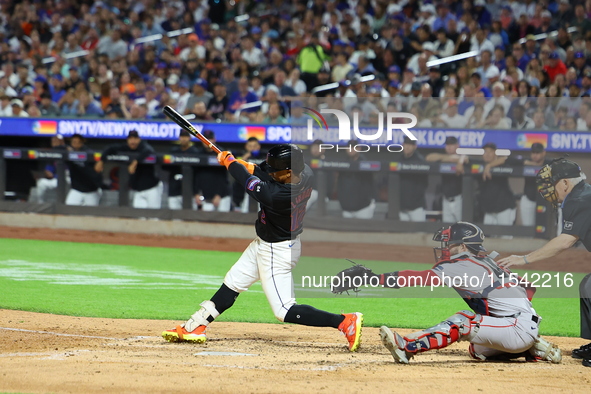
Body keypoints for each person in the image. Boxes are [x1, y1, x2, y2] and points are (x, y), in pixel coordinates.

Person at [162, 144, 363, 352]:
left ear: (288, 172)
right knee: (232, 283)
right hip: (265, 244)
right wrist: (236, 161)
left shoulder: (278, 194)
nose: (272, 173)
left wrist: (230, 162)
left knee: (284, 310)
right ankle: (196, 325)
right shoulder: (305, 173)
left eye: (277, 171)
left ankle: (343, 321)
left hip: (277, 251)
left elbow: (248, 181)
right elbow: (260, 171)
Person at [375, 222, 561, 364]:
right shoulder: (486, 262)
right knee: (477, 349)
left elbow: (418, 278)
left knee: (464, 321)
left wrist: (373, 278)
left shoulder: (465, 265)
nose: (446, 249)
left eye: (451, 245)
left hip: (515, 327)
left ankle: (406, 347)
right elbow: (526, 291)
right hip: (520, 324)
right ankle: (531, 348)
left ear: (463, 247)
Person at [498, 159, 591, 368]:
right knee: (587, 285)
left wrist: (523, 259)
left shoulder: (580, 199)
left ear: (565, 183)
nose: (548, 188)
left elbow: (566, 240)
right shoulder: (582, 195)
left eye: (553, 182)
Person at [483, 143, 551, 226]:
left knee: (545, 226)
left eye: (538, 153)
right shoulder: (526, 161)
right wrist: (489, 165)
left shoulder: (549, 163)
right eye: (533, 153)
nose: (535, 155)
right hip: (529, 199)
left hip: (544, 200)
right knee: (528, 228)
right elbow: (506, 159)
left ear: (543, 153)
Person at [95, 130, 163, 209]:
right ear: (127, 140)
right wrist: (101, 160)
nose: (133, 141)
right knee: (139, 217)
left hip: (152, 188)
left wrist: (136, 162)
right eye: (130, 139)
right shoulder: (126, 147)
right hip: (138, 190)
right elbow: (110, 148)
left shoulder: (143, 147)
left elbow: (149, 150)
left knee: (154, 217)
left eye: (135, 139)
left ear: (139, 139)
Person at [426, 136, 467, 223]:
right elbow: (429, 157)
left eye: (451, 144)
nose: (449, 147)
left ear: (457, 146)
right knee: (448, 228)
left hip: (459, 200)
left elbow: (466, 159)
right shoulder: (444, 158)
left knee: (461, 227)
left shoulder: (462, 158)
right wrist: (448, 158)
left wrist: (459, 161)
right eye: (447, 144)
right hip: (446, 200)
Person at [337, 140, 376, 220]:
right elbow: (340, 185)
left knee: (364, 232)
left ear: (359, 148)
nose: (351, 149)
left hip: (363, 209)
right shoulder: (342, 164)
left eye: (354, 147)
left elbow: (371, 185)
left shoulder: (366, 164)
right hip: (346, 209)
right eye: (349, 147)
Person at [479, 143, 516, 225]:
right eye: (485, 152)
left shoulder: (502, 164)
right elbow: (465, 159)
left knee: (505, 237)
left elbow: (505, 159)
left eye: (490, 151)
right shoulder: (480, 165)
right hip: (489, 211)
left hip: (504, 209)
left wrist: (489, 166)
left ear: (495, 153)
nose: (487, 154)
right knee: (485, 236)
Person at [194, 130, 231, 212]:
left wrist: (219, 195)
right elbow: (195, 175)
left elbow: (224, 177)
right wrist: (196, 193)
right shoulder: (198, 153)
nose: (207, 141)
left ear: (214, 139)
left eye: (210, 139)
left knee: (224, 221)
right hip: (205, 196)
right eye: (205, 139)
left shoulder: (221, 153)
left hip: (222, 196)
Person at [65, 134, 103, 206]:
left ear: (81, 143)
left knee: (91, 214)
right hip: (77, 190)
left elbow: (96, 171)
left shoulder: (89, 153)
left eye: (77, 142)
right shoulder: (69, 153)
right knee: (69, 208)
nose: (75, 144)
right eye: (73, 142)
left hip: (91, 191)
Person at [167, 130, 200, 210]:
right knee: (174, 217)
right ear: (179, 138)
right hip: (175, 190)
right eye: (182, 137)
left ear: (189, 138)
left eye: (186, 137)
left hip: (190, 192)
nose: (184, 139)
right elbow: (164, 166)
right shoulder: (174, 151)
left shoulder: (195, 152)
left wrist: (196, 193)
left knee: (191, 217)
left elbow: (197, 174)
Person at [232, 137, 266, 212]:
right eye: (250, 146)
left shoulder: (264, 156)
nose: (252, 148)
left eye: (254, 146)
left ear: (258, 147)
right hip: (244, 190)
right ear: (246, 146)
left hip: (260, 189)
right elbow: (236, 165)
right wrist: (247, 155)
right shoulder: (241, 156)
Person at [399, 137, 427, 222]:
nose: (407, 147)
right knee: (402, 234)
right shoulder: (398, 160)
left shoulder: (420, 161)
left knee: (420, 233)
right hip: (401, 208)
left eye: (410, 145)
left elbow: (424, 184)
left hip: (416, 208)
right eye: (406, 144)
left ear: (415, 147)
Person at [35, 135, 67, 203]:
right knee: (41, 182)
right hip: (56, 179)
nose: (54, 143)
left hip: (67, 179)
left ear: (62, 142)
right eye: (53, 141)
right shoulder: (52, 153)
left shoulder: (67, 151)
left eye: (56, 141)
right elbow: (48, 169)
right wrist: (48, 172)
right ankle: (41, 204)